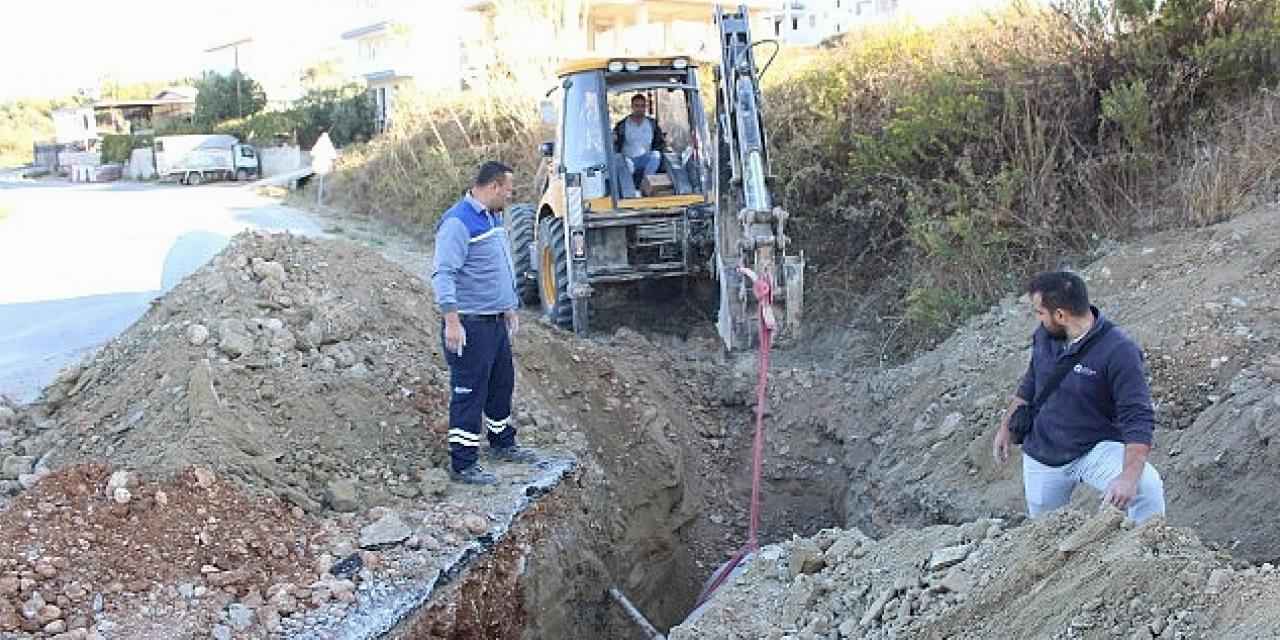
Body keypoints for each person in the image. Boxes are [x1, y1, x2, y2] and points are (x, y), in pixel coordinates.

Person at [992, 271, 1166, 523]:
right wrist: (1006, 426)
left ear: (1060, 315)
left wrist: (1128, 478)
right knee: (1044, 532)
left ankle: (1150, 551)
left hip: (1095, 448)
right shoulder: (1045, 336)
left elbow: (1138, 418)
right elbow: (1032, 380)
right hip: (1043, 452)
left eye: (1040, 312)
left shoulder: (1119, 351)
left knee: (1146, 487)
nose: (1037, 319)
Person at [431, 161, 538, 485]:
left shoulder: (492, 217)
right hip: (470, 325)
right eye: (507, 189)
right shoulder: (458, 223)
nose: (510, 195)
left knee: (500, 385)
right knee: (469, 392)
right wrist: (452, 322)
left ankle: (502, 443)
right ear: (492, 186)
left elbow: (496, 267)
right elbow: (443, 274)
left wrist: (508, 307)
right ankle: (463, 464)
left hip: (494, 323)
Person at [613, 93, 667, 192]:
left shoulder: (652, 124)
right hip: (628, 159)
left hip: (645, 158)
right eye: (637, 106)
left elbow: (660, 142)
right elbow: (615, 144)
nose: (639, 109)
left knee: (656, 155)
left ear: (645, 107)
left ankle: (645, 184)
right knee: (624, 163)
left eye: (642, 106)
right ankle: (629, 192)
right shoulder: (622, 125)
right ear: (632, 107)